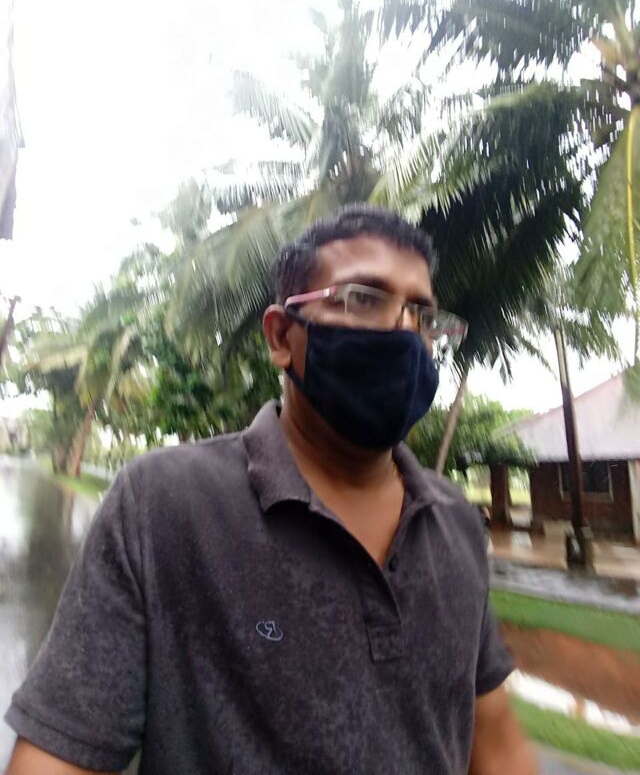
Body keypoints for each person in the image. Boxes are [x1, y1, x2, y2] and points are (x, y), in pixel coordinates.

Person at [5, 204, 538, 774]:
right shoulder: (163, 504)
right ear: (282, 336)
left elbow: (497, 745)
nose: (404, 332)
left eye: (422, 316)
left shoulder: (454, 520)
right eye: (363, 299)